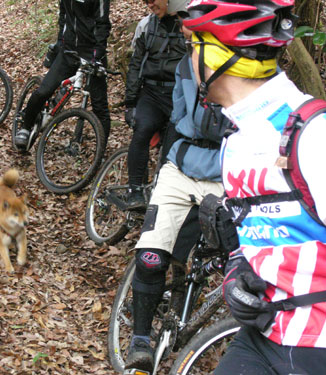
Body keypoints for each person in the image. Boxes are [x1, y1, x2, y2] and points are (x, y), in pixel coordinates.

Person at [183, 0, 326, 374]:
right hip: (264, 336)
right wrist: (237, 275)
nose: (190, 58)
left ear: (216, 56)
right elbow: (255, 232)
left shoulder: (319, 131)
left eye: (195, 45)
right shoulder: (236, 138)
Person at [124, 26, 233, 375]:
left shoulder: (247, 73)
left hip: (226, 173)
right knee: (152, 254)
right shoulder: (186, 65)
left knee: (227, 261)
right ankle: (140, 339)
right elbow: (179, 120)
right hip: (182, 165)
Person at [13, 0, 111, 149]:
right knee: (43, 91)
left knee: (100, 106)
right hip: (69, 51)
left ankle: (101, 152)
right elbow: (63, 15)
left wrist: (96, 55)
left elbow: (103, 24)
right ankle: (26, 127)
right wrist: (60, 42)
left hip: (92, 53)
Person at [124, 0, 187, 209]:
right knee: (142, 130)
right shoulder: (146, 26)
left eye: (153, 0)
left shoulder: (189, 26)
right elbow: (135, 65)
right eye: (145, 1)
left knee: (172, 149)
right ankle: (134, 189)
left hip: (178, 95)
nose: (149, 4)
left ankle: (163, 198)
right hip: (151, 93)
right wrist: (131, 102)